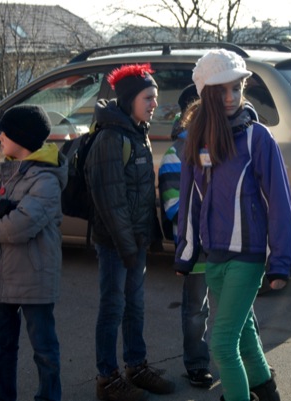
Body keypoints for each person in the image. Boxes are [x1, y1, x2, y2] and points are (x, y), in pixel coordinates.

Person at [174, 49, 291, 401]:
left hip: (248, 256)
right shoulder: (196, 140)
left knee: (222, 343)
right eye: (221, 90)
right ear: (206, 95)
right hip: (214, 257)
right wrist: (186, 252)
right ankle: (267, 393)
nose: (230, 97)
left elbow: (280, 202)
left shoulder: (258, 138)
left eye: (236, 88)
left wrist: (280, 262)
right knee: (243, 336)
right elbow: (191, 199)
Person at [0, 104, 68, 401]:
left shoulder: (46, 179)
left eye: (4, 133)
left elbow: (19, 227)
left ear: (21, 138)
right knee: (1, 348)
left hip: (34, 280)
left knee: (44, 350)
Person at [84, 63, 175, 401]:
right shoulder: (111, 138)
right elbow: (111, 202)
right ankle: (107, 379)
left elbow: (140, 195)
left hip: (134, 241)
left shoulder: (137, 132)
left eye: (155, 97)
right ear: (128, 100)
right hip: (116, 244)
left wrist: (147, 238)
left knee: (134, 305)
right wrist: (127, 247)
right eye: (148, 97)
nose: (154, 103)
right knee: (113, 308)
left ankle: (135, 366)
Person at [159, 83, 214, 388]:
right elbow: (174, 208)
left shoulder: (215, 148)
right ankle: (197, 363)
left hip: (225, 246)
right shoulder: (175, 155)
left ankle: (248, 360)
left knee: (238, 309)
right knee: (196, 310)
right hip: (196, 248)